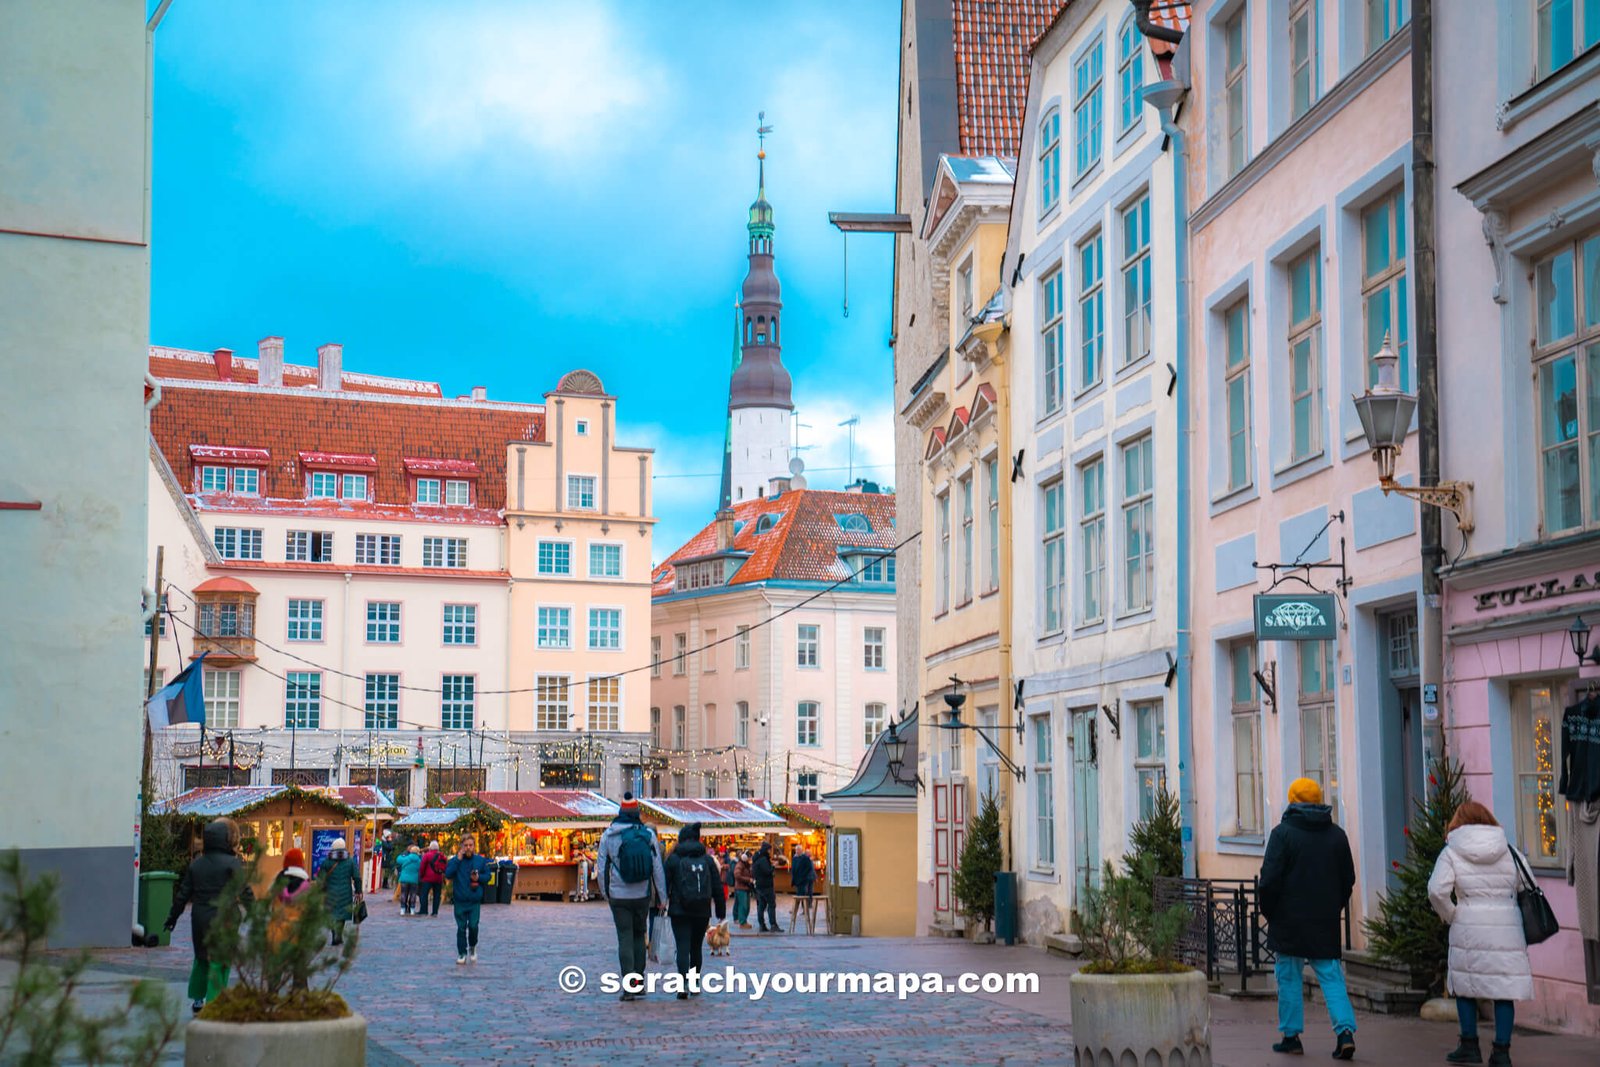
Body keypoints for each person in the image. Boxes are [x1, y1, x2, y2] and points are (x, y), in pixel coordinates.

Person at [1427, 800, 1534, 1067]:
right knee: (1504, 989)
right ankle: (1502, 1052)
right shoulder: (1508, 850)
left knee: (1465, 986)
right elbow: (1527, 882)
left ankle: (1469, 1045)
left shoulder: (1452, 851)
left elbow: (1436, 890)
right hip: (1506, 927)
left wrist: (1452, 914)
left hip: (1468, 925)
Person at [1258, 778, 1357, 1060]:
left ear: (1292, 801)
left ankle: (1291, 1037)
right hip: (1323, 920)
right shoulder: (1337, 835)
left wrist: (1270, 911)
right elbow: (1348, 879)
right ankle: (1345, 1033)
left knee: (1288, 976)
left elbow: (1269, 880)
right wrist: (1333, 907)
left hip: (1288, 919)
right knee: (1331, 976)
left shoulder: (1282, 834)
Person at [164, 817, 251, 1014]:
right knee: (220, 960)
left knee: (201, 958)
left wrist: (172, 918)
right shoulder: (232, 863)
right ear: (226, 840)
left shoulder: (197, 864)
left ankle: (197, 999)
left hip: (200, 917)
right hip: (226, 917)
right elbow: (244, 890)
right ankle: (215, 1001)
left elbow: (182, 895)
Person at [597, 792, 668, 1001]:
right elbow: (657, 868)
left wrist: (605, 892)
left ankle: (629, 986)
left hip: (619, 895)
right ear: (637, 813)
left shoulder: (609, 835)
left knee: (624, 937)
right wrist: (662, 896)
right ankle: (639, 982)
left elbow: (601, 868)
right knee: (639, 935)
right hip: (642, 894)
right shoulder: (648, 835)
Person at [663, 822, 728, 998]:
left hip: (679, 910)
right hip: (702, 910)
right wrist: (720, 911)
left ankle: (682, 984)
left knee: (682, 947)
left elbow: (664, 884)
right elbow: (716, 886)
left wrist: (661, 902)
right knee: (696, 948)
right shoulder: (707, 860)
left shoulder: (674, 859)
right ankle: (695, 982)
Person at [267, 849, 315, 990]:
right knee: (300, 967)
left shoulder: (276, 883)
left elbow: (272, 907)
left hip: (278, 930)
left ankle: (271, 994)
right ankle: (300, 995)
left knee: (276, 966)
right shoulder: (306, 886)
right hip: (298, 931)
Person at [444, 835, 494, 965]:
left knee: (473, 926)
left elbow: (488, 876)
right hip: (460, 899)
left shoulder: (480, 861)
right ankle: (462, 953)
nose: (468, 848)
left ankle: (472, 946)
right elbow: (448, 874)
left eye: (470, 845)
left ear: (474, 846)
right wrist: (457, 860)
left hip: (474, 900)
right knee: (461, 928)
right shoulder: (456, 861)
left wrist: (479, 878)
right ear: (461, 846)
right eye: (465, 845)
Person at [319, 837, 362, 946]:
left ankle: (335, 935)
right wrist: (358, 891)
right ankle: (338, 935)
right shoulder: (350, 861)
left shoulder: (327, 862)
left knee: (333, 914)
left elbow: (321, 878)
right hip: (345, 892)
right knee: (342, 914)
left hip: (330, 892)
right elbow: (357, 877)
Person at [752, 841, 778, 933]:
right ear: (766, 850)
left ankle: (762, 925)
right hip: (766, 886)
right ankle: (773, 925)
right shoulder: (763, 859)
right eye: (769, 850)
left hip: (759, 885)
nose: (770, 852)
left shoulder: (757, 858)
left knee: (761, 905)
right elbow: (767, 871)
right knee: (771, 904)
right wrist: (773, 867)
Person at [419, 839, 447, 917]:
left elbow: (422, 866)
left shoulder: (427, 855)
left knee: (424, 894)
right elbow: (445, 866)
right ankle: (435, 912)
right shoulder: (442, 855)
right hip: (438, 878)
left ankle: (424, 910)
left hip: (427, 878)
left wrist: (421, 875)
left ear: (430, 847)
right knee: (437, 895)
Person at [395, 844, 422, 916]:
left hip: (404, 879)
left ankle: (402, 909)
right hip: (414, 879)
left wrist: (402, 854)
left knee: (404, 894)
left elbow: (398, 859)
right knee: (413, 894)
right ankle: (412, 910)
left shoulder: (406, 858)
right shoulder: (419, 861)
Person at [733, 851, 754, 928]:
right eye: (749, 858)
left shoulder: (746, 865)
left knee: (746, 906)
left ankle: (744, 921)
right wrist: (748, 880)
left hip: (745, 888)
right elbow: (737, 875)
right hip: (741, 888)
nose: (750, 859)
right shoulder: (740, 865)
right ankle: (742, 922)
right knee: (743, 906)